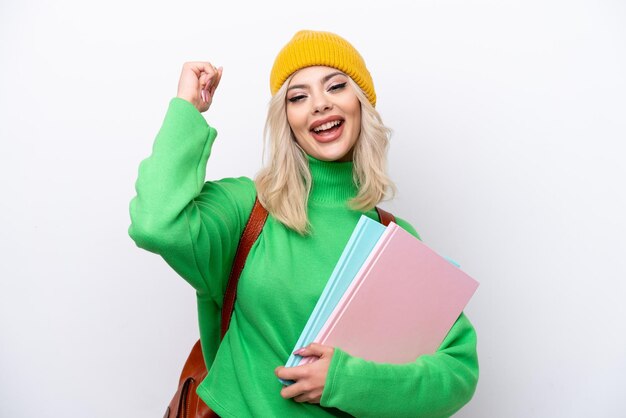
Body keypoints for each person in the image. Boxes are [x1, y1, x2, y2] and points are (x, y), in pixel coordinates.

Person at [129, 29, 479, 417]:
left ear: (360, 103)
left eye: (336, 86)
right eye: (299, 96)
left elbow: (457, 371)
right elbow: (155, 222)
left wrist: (346, 381)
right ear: (287, 119)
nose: (319, 105)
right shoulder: (249, 209)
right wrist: (186, 109)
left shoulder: (393, 236)